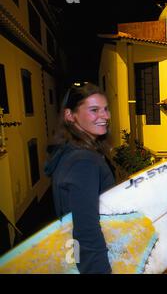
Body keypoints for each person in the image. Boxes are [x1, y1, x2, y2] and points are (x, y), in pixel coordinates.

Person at [44, 82, 115, 273]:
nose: (105, 116)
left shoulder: (70, 152)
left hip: (75, 257)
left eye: (105, 109)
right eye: (94, 110)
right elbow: (86, 231)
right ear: (70, 115)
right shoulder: (84, 161)